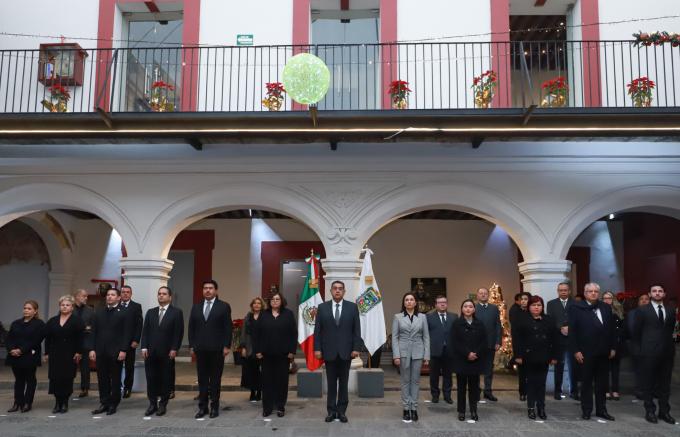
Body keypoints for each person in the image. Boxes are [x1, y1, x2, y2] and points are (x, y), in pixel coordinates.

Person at [313, 280, 361, 423]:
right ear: (331, 291)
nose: (337, 291)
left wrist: (356, 348)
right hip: (329, 352)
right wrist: (317, 348)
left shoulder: (352, 308)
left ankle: (342, 412)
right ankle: (331, 411)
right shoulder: (322, 308)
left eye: (340, 289)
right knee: (331, 383)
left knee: (344, 384)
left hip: (347, 352)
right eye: (335, 288)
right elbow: (318, 331)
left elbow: (356, 330)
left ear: (344, 291)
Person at [568, 282, 616, 421]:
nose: (593, 293)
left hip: (603, 352)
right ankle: (587, 410)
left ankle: (602, 410)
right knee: (586, 383)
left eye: (596, 291)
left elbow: (611, 330)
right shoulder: (576, 308)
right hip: (585, 352)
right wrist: (576, 350)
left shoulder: (606, 307)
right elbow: (573, 331)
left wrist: (613, 347)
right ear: (585, 293)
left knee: (602, 384)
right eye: (590, 291)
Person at [188, 279, 232, 419]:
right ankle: (203, 407)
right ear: (202, 291)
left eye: (211, 288)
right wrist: (192, 345)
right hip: (200, 349)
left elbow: (228, 328)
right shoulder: (196, 307)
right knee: (202, 380)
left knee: (215, 380)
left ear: (216, 291)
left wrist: (226, 345)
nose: (208, 290)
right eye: (205, 288)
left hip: (217, 349)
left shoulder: (223, 306)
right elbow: (191, 328)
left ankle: (214, 407)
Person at [633, 284, 676, 424]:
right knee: (649, 383)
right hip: (648, 352)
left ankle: (664, 412)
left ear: (664, 294)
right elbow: (636, 333)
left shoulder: (670, 311)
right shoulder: (642, 310)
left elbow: (669, 331)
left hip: (667, 352)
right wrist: (640, 350)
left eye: (660, 291)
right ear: (650, 294)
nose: (657, 293)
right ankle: (650, 411)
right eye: (654, 291)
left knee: (665, 384)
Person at [513, 296, 558, 420]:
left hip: (544, 356)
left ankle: (541, 408)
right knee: (531, 383)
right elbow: (517, 340)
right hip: (528, 357)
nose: (536, 307)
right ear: (529, 307)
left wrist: (554, 356)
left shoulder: (549, 320)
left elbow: (555, 339)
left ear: (542, 307)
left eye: (539, 305)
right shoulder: (522, 320)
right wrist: (518, 356)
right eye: (533, 305)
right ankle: (531, 408)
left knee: (541, 383)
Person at [141, 286, 184, 416]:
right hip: (150, 352)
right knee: (151, 378)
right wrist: (144, 347)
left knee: (166, 379)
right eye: (159, 294)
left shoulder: (176, 312)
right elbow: (145, 331)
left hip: (167, 352)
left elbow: (178, 332)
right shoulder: (151, 312)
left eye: (164, 294)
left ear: (170, 297)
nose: (161, 296)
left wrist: (174, 348)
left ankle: (163, 405)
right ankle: (152, 404)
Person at [88, 287, 132, 415]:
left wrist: (124, 350)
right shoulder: (99, 312)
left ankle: (113, 403)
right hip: (100, 351)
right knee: (102, 378)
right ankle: (104, 402)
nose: (109, 297)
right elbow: (93, 332)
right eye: (108, 295)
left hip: (116, 352)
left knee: (115, 379)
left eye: (113, 295)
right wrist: (92, 349)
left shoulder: (124, 312)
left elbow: (127, 333)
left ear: (118, 298)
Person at [255, 292, 297, 418]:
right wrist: (257, 351)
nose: (275, 301)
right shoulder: (263, 314)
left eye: (277, 299)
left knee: (282, 382)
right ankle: (267, 407)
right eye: (272, 299)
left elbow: (293, 334)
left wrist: (292, 351)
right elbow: (256, 334)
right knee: (267, 382)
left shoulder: (288, 314)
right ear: (269, 301)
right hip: (266, 355)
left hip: (283, 355)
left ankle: (280, 406)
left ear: (281, 301)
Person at [392, 292, 430, 423]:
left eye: (411, 299)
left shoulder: (422, 317)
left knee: (415, 381)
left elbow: (426, 337)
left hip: (418, 353)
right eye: (406, 300)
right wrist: (396, 355)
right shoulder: (397, 317)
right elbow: (395, 338)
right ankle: (405, 408)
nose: (409, 301)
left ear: (415, 303)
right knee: (405, 381)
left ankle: (414, 408)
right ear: (404, 303)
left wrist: (427, 355)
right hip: (403, 353)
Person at [44, 295, 85, 414]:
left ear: (72, 307)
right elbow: (48, 338)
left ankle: (65, 403)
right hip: (55, 353)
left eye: (67, 305)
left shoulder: (77, 321)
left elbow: (81, 338)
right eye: (62, 305)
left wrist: (79, 352)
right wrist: (46, 353)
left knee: (67, 378)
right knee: (55, 378)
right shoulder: (52, 320)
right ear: (59, 306)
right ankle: (57, 403)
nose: (65, 307)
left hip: (70, 353)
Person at [5, 300, 45, 413]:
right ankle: (17, 403)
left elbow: (36, 340)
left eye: (29, 308)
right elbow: (9, 338)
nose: (26, 310)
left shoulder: (39, 324)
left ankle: (28, 403)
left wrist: (21, 350)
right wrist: (11, 349)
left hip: (29, 355)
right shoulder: (16, 323)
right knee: (19, 380)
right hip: (15, 356)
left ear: (35, 311)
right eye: (25, 308)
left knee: (30, 379)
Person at [451, 299, 487, 422]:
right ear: (462, 309)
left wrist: (475, 353)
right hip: (462, 360)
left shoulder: (480, 324)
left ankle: (473, 410)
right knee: (461, 388)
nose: (468, 308)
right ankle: (461, 411)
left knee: (474, 388)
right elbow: (455, 342)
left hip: (475, 360)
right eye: (465, 306)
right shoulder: (456, 323)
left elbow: (484, 341)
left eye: (470, 306)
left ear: (474, 309)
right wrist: (467, 353)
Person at [546, 282, 577, 400]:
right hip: (558, 339)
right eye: (561, 290)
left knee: (573, 366)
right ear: (558, 291)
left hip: (572, 339)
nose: (563, 292)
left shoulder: (576, 303)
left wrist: (570, 328)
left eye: (565, 290)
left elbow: (578, 319)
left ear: (569, 291)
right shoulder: (551, 304)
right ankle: (557, 391)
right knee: (558, 366)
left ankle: (574, 391)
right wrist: (560, 328)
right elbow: (550, 320)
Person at [426, 295, 457, 404]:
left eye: (444, 302)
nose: (442, 304)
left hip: (449, 351)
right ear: (436, 305)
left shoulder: (454, 316)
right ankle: (435, 395)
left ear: (447, 304)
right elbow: (425, 335)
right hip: (434, 350)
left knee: (448, 375)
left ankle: (447, 395)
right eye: (440, 302)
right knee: (434, 375)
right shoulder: (429, 317)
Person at [474, 287, 501, 401]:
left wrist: (498, 341)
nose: (483, 295)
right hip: (476, 344)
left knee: (488, 369)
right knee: (475, 369)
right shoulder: (472, 307)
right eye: (481, 293)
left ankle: (488, 391)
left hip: (490, 344)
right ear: (477, 295)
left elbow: (498, 325)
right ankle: (475, 391)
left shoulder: (494, 308)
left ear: (488, 295)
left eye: (485, 293)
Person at [120, 285, 143, 399]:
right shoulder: (116, 305)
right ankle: (117, 386)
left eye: (127, 292)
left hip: (130, 342)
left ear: (131, 294)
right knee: (116, 366)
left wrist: (136, 340)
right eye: (123, 292)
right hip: (116, 342)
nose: (125, 294)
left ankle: (127, 388)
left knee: (129, 366)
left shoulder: (136, 307)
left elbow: (139, 325)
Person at [625, 293, 650, 399]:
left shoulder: (655, 312)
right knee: (639, 370)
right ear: (638, 302)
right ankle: (640, 390)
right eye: (641, 299)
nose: (644, 301)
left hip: (653, 346)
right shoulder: (632, 313)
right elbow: (631, 329)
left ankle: (653, 390)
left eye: (646, 299)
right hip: (637, 345)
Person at [601, 291, 624, 401]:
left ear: (613, 299)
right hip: (603, 344)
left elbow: (621, 329)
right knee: (604, 369)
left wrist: (615, 346)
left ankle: (615, 390)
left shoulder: (618, 311)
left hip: (616, 343)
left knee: (615, 369)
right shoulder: (598, 310)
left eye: (609, 298)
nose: (607, 300)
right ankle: (605, 391)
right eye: (605, 298)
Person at [240, 297, 264, 402]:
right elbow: (243, 332)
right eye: (255, 303)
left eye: (259, 303)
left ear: (262, 305)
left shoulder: (265, 316)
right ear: (252, 305)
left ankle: (259, 391)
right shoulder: (248, 317)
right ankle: (252, 391)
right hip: (250, 348)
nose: (257, 305)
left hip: (261, 348)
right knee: (251, 372)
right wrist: (243, 347)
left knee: (260, 372)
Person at [73, 289, 95, 398]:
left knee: (85, 367)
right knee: (70, 366)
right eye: (83, 296)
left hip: (85, 342)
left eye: (86, 296)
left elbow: (93, 327)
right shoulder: (69, 308)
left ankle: (85, 388)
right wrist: (84, 328)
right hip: (71, 342)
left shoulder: (90, 310)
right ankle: (67, 386)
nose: (86, 298)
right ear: (77, 296)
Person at [510, 291, 531, 401]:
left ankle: (532, 392)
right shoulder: (516, 313)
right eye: (522, 299)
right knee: (522, 373)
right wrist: (517, 354)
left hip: (533, 349)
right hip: (521, 348)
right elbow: (515, 334)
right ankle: (522, 392)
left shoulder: (534, 313)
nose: (523, 301)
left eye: (526, 299)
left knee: (532, 373)